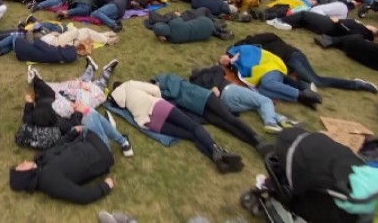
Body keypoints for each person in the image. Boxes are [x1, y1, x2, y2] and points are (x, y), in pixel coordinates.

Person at [107, 80, 243, 173]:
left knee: (191, 136)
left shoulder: (117, 99)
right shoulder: (130, 84)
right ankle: (216, 149)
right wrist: (159, 99)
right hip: (157, 107)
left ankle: (218, 159)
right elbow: (154, 89)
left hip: (148, 123)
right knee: (194, 127)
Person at [151, 73, 266, 149]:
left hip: (205, 97)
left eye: (155, 85)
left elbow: (174, 92)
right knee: (226, 125)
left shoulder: (169, 78)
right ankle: (256, 145)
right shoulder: (165, 93)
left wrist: (161, 94)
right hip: (200, 109)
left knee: (229, 118)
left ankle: (256, 137)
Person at [237, 33, 378, 93]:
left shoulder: (264, 38)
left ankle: (357, 84)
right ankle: (303, 84)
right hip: (286, 65)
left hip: (292, 56)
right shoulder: (257, 51)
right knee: (304, 85)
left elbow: (278, 42)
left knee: (318, 81)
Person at [9, 127, 115, 204]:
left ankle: (109, 128)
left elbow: (58, 146)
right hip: (100, 152)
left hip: (87, 140)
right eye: (22, 166)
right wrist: (105, 187)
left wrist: (72, 133)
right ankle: (115, 134)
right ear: (27, 175)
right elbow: (81, 196)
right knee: (90, 115)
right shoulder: (49, 183)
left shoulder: (40, 161)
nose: (24, 161)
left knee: (87, 117)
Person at [221, 44, 322, 109]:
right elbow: (244, 72)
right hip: (265, 73)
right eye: (224, 63)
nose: (225, 62)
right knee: (262, 91)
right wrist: (231, 64)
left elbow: (251, 59)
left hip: (271, 67)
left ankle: (302, 94)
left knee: (267, 83)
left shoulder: (243, 50)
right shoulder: (235, 66)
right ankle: (301, 97)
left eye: (224, 59)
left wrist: (231, 60)